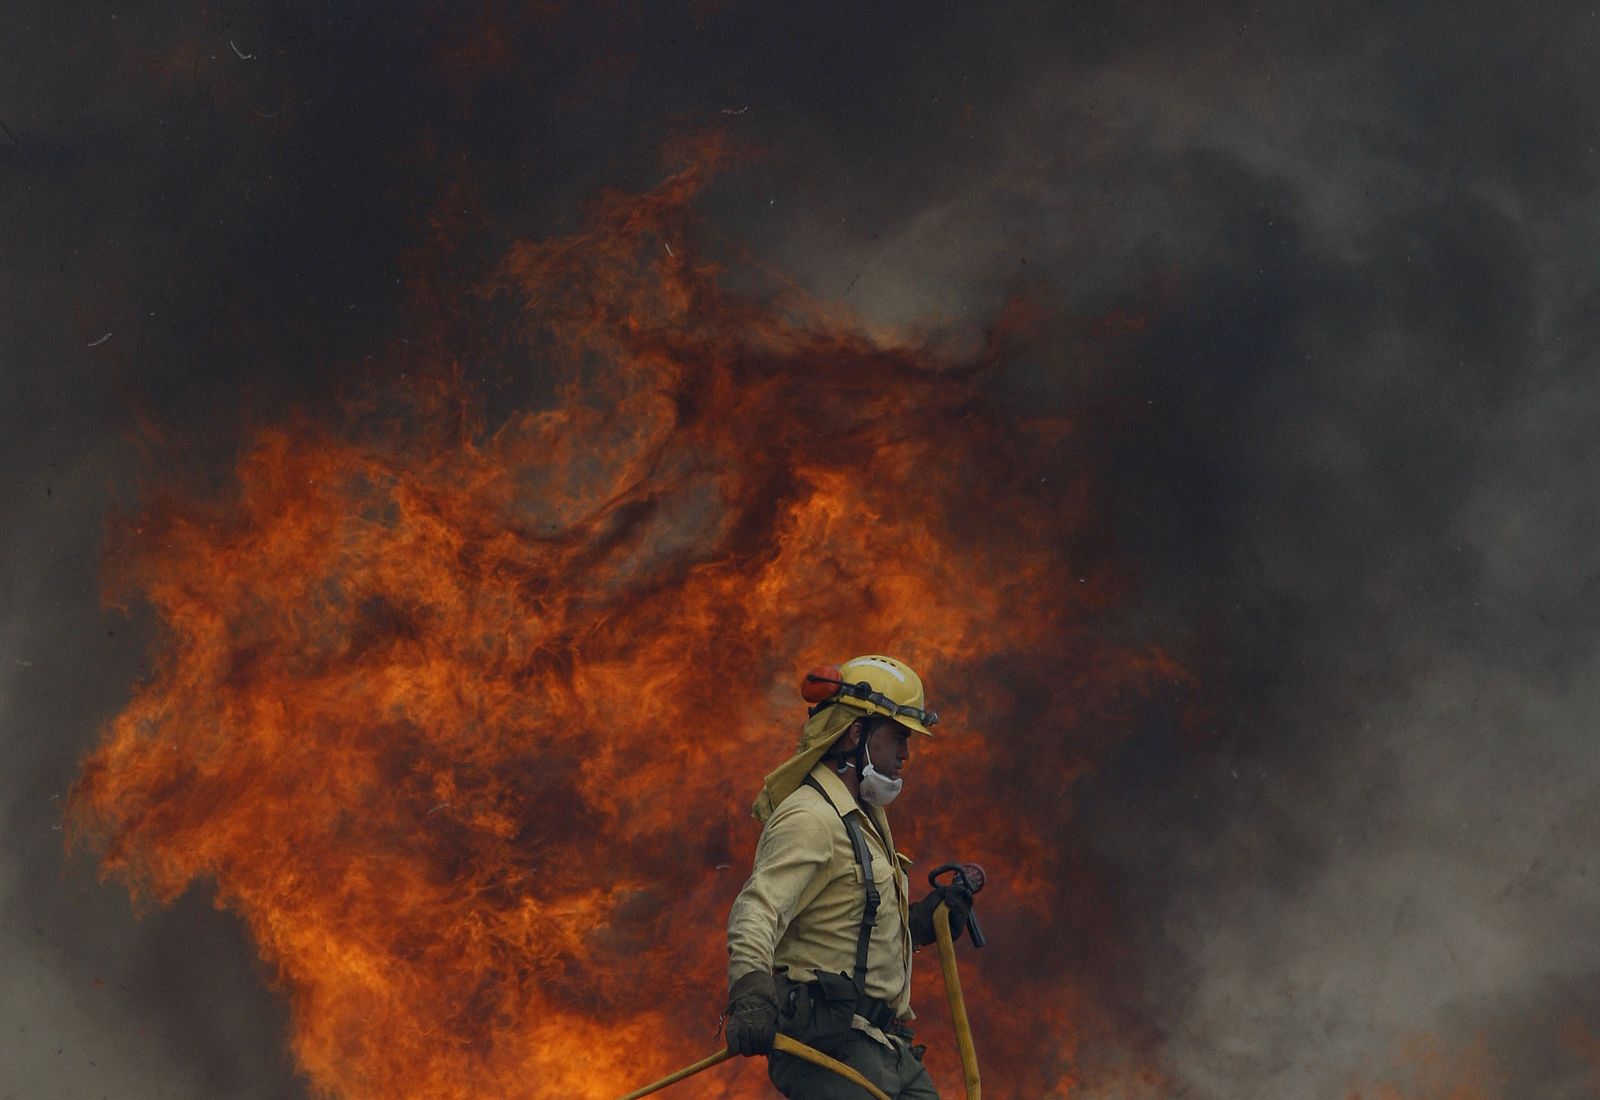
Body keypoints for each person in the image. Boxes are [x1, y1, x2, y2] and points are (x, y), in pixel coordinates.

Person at [723, 655, 973, 1099]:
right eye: (898, 736)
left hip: (885, 1046)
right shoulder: (810, 817)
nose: (905, 754)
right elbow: (756, 910)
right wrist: (750, 995)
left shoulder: (865, 816)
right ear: (856, 733)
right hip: (830, 1047)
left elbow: (850, 918)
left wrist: (921, 922)